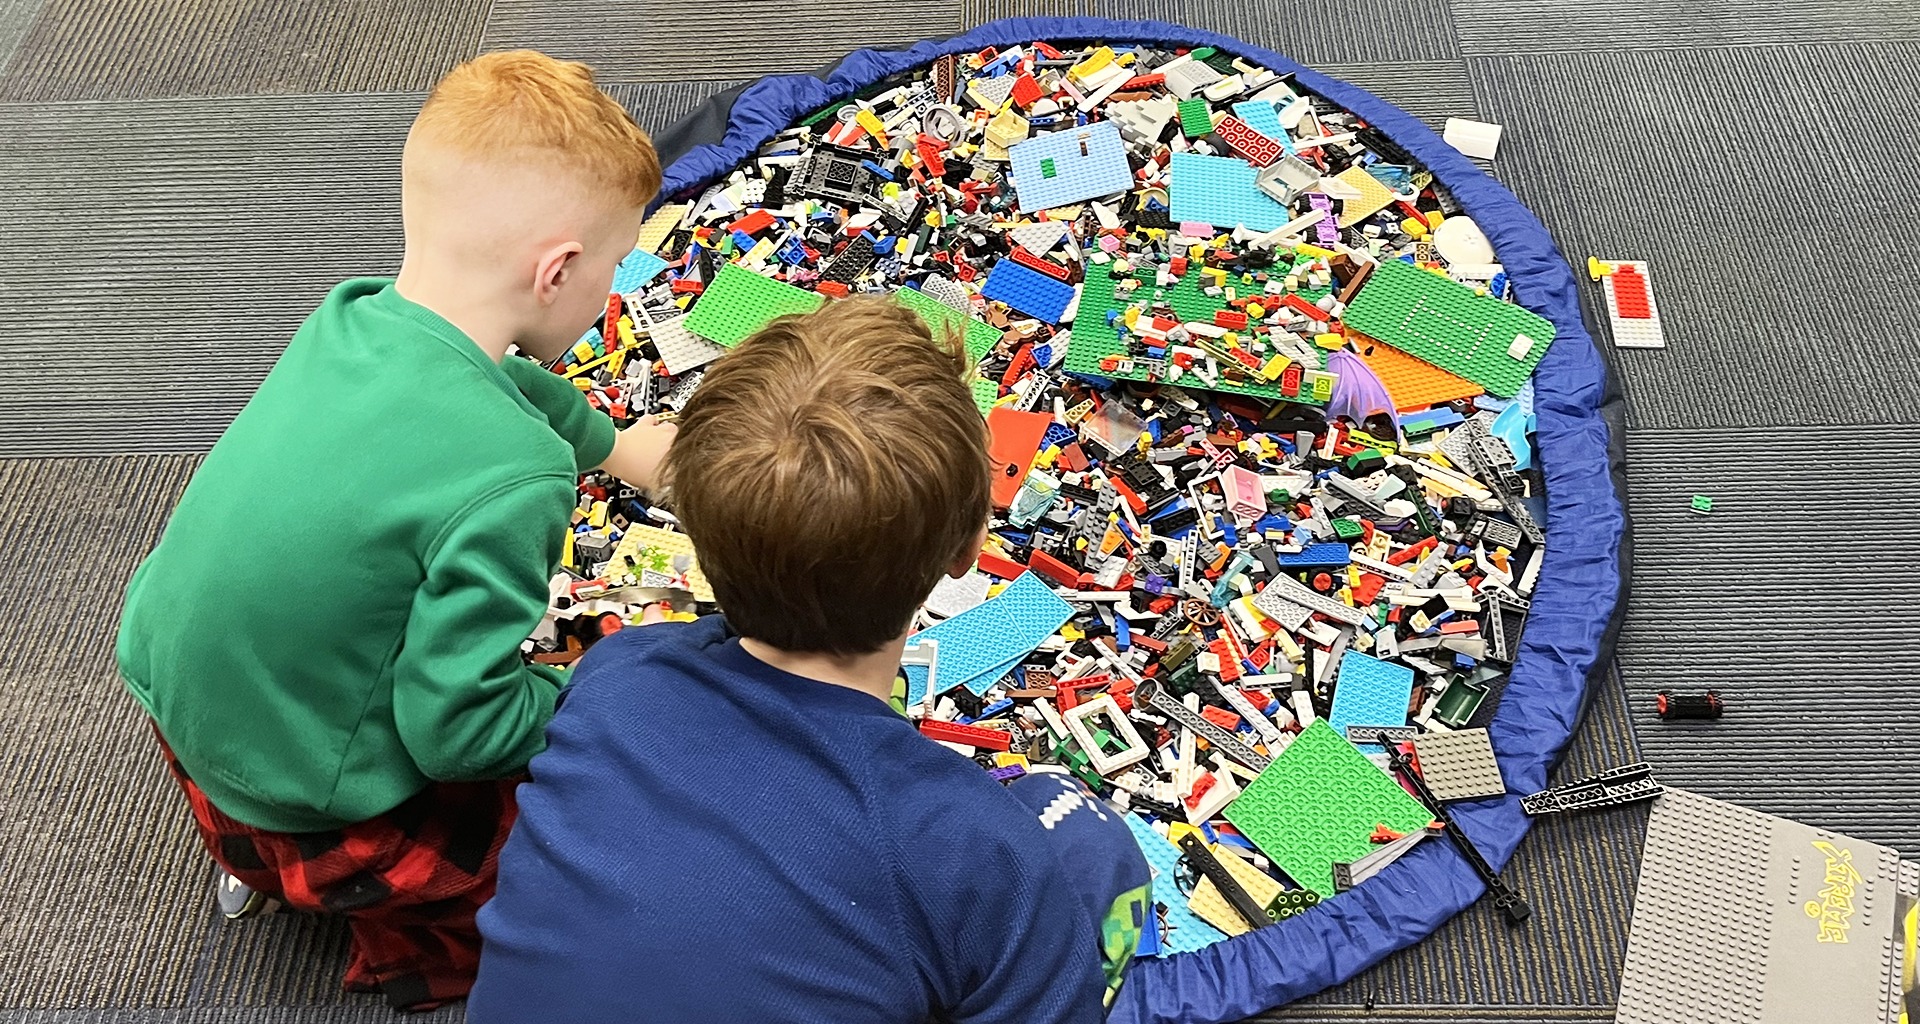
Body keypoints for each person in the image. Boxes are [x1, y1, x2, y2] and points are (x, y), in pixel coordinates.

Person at [113, 49, 672, 1010]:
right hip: (318, 810)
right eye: (615, 265)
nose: (611, 289)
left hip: (186, 717)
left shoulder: (356, 315)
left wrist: (619, 449)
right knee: (594, 873)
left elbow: (509, 379)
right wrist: (596, 698)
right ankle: (415, 948)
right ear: (559, 271)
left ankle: (263, 860)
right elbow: (458, 731)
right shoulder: (514, 478)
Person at [470, 297, 1152, 1023]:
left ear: (697, 542)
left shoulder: (618, 673)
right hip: (974, 874)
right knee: (1088, 842)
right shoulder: (979, 849)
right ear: (966, 550)